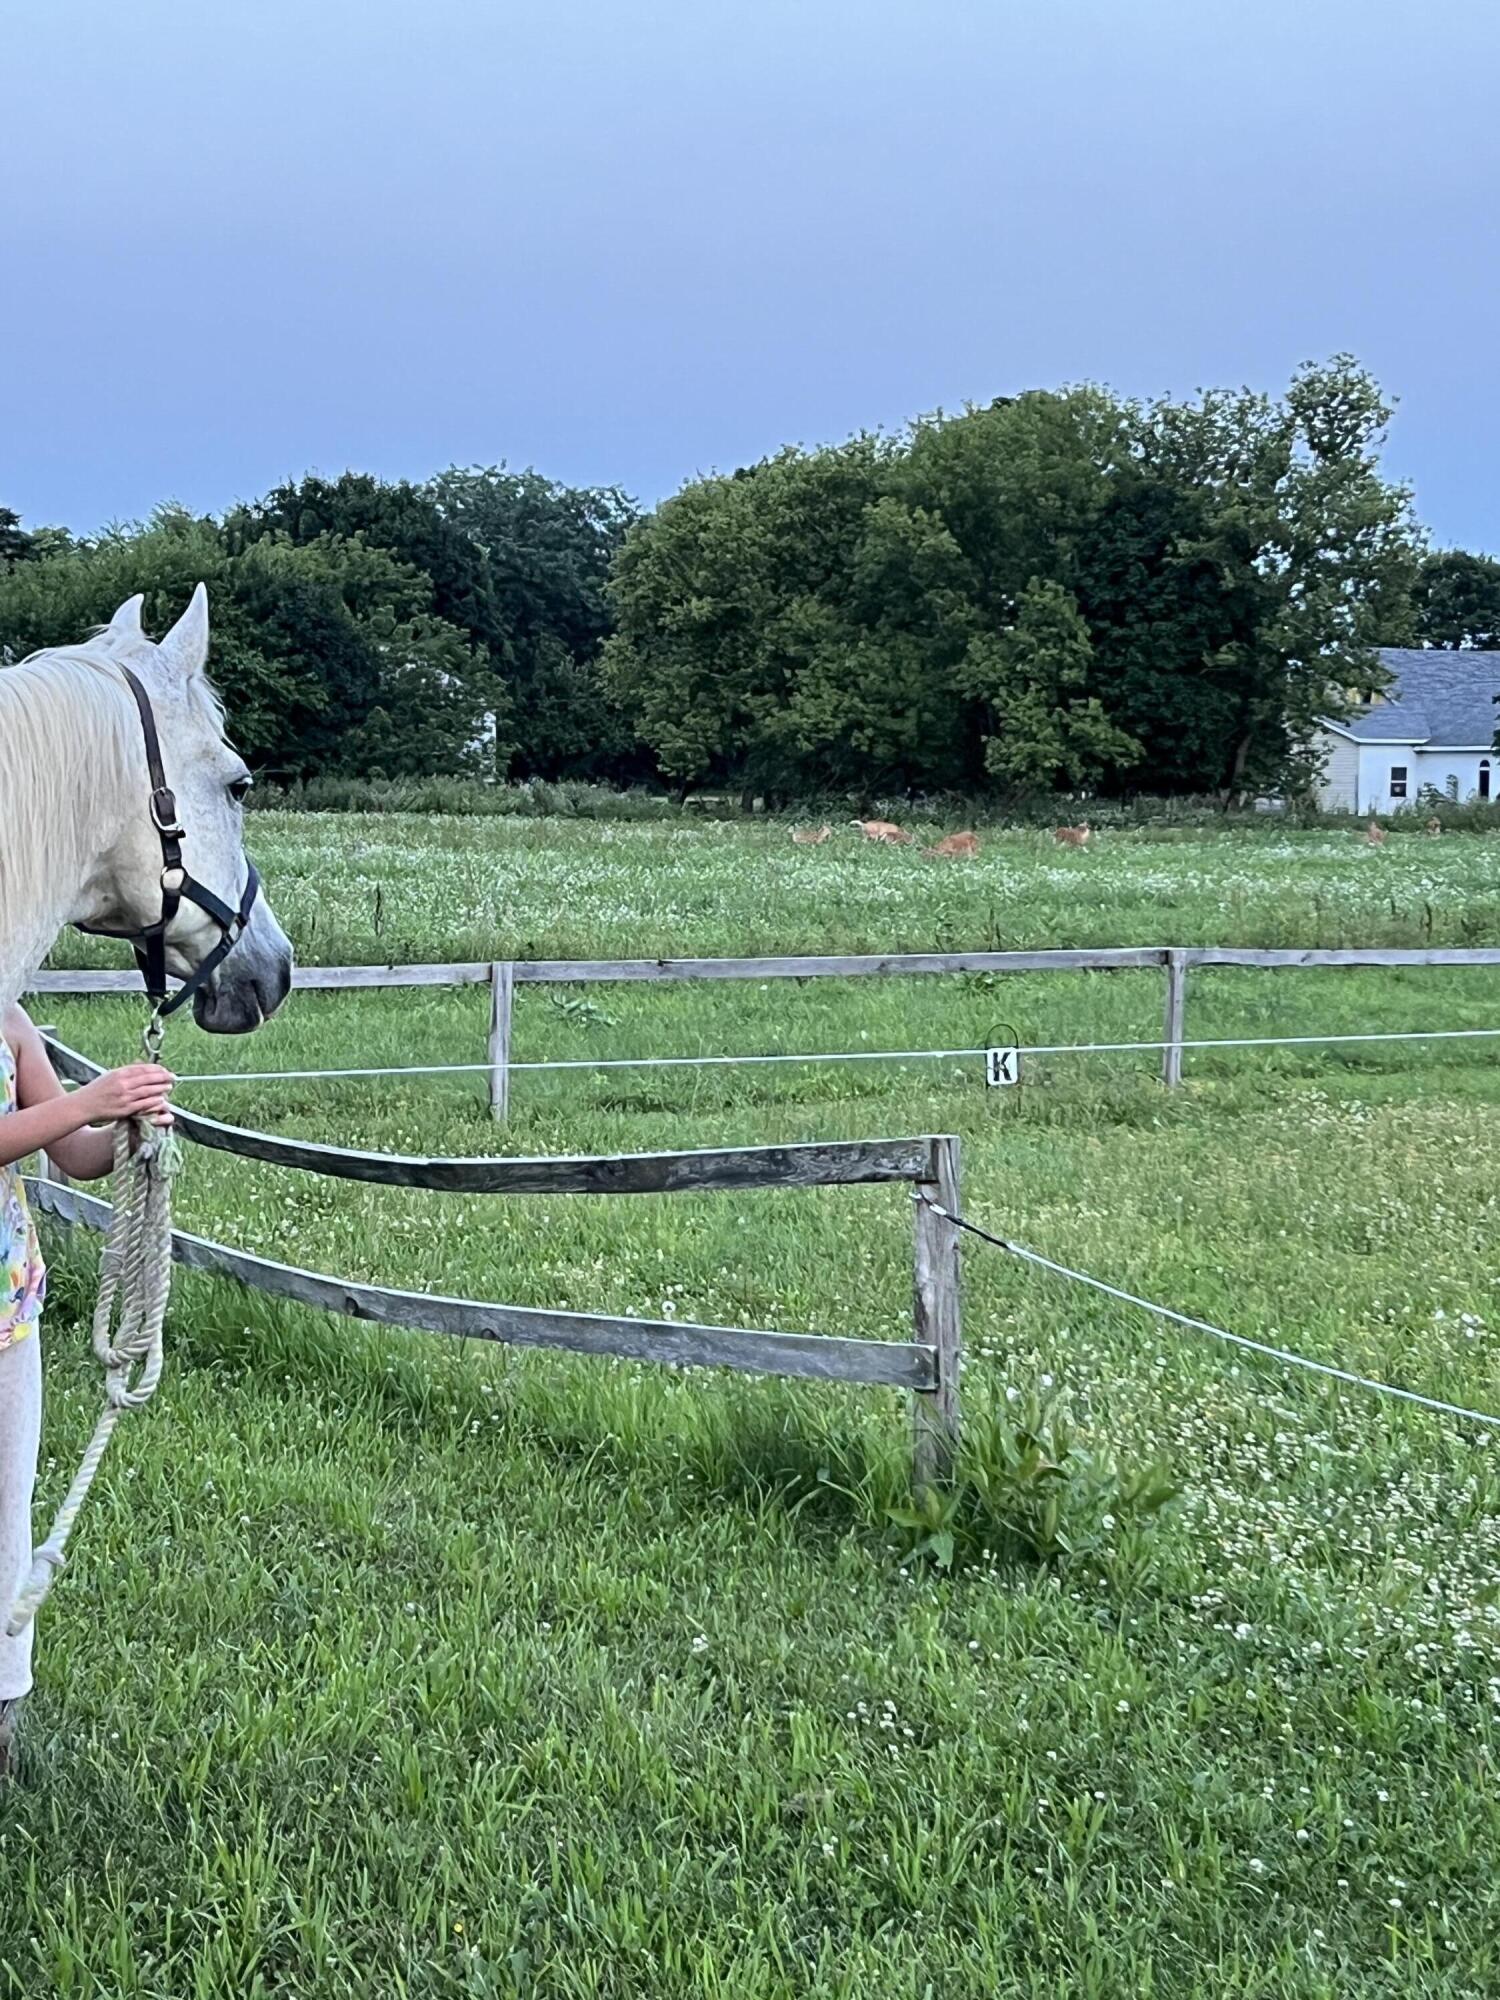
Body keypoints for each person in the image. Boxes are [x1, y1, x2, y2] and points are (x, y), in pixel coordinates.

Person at [0, 1003, 174, 1783]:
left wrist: (125, 1127)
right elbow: (65, 1116)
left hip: (6, 1309)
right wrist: (90, 1098)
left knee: (8, 1508)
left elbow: (71, 1151)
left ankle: (3, 1705)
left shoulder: (8, 1014)